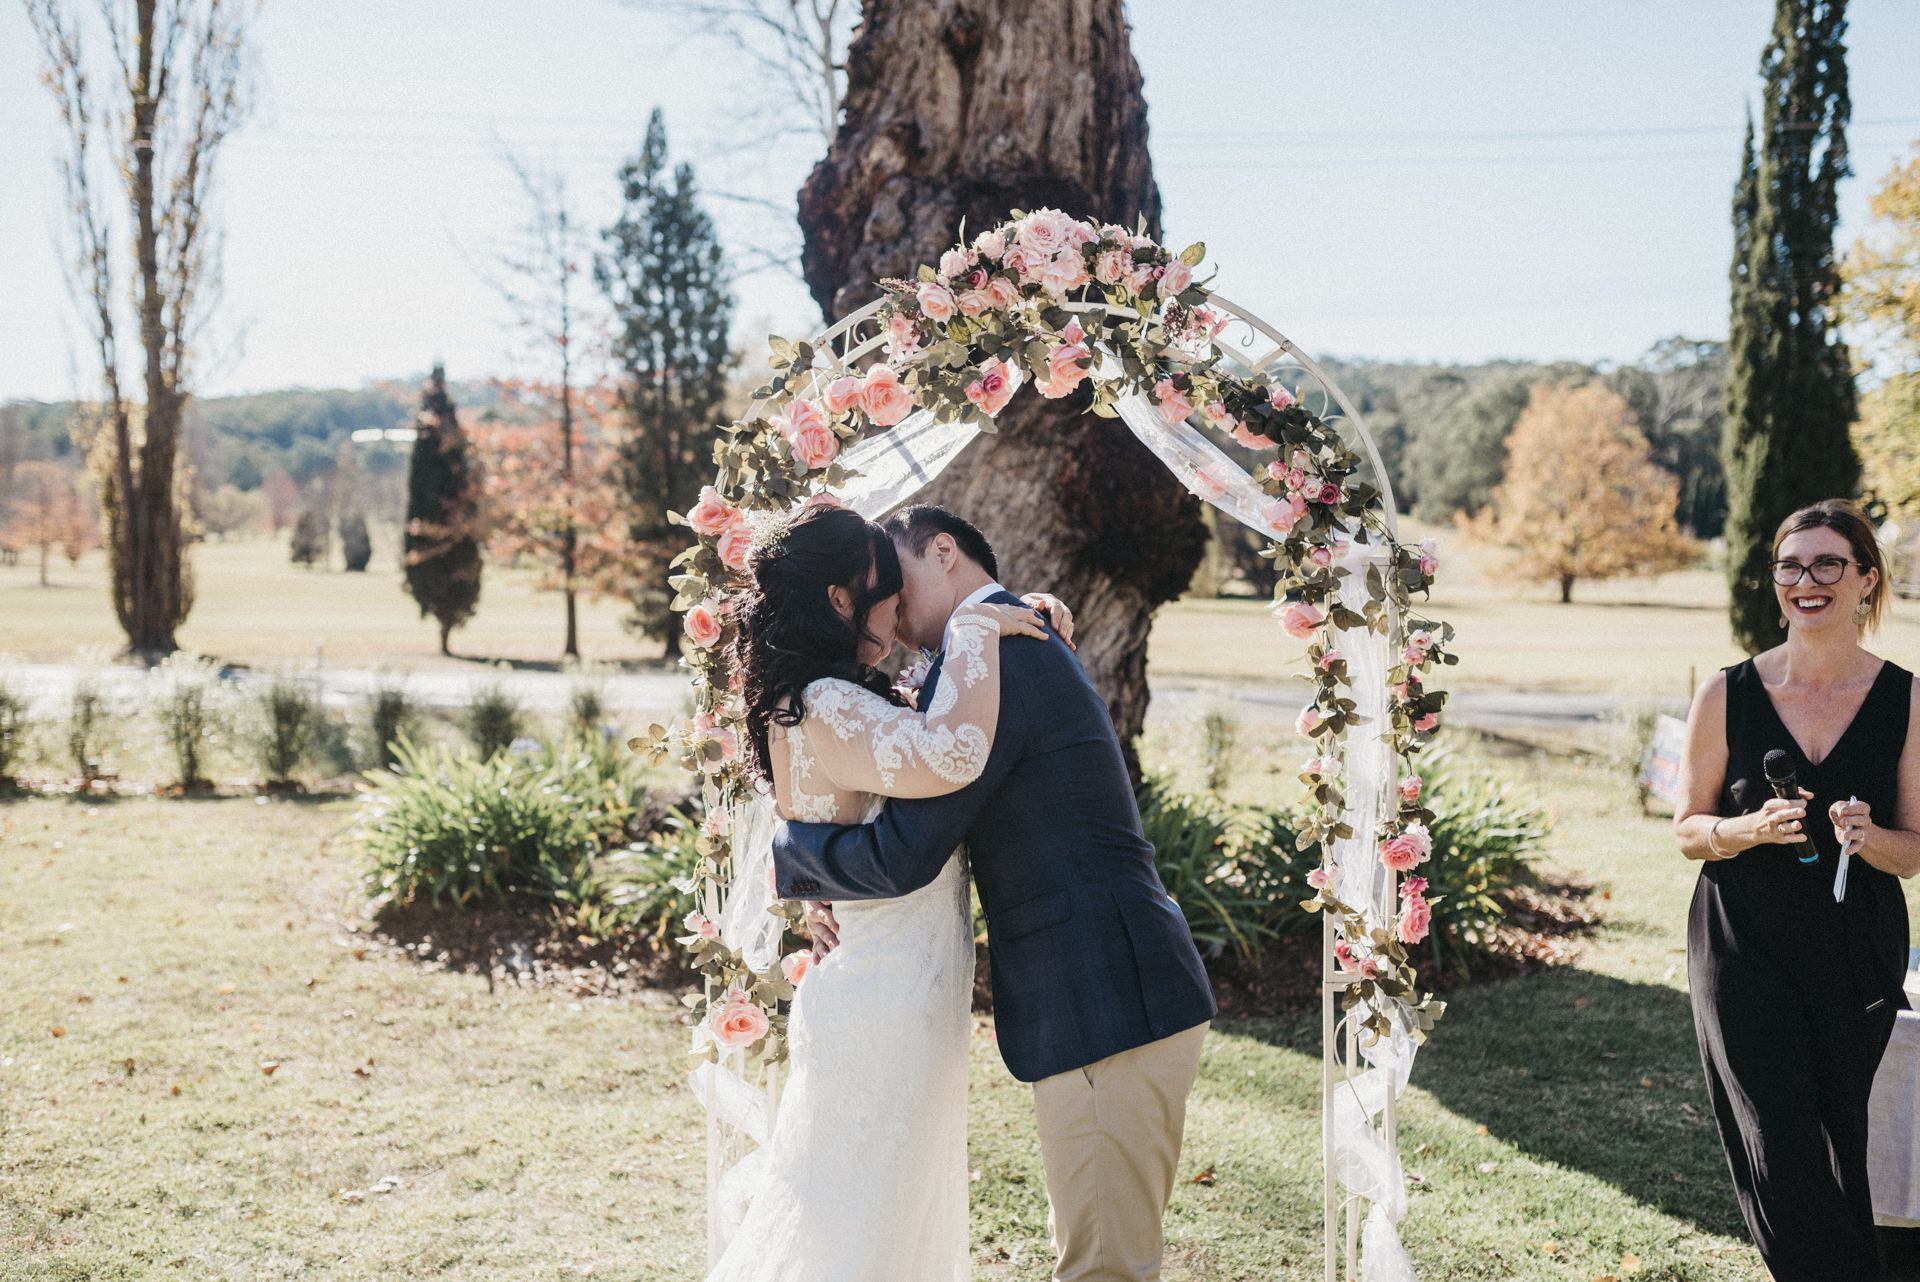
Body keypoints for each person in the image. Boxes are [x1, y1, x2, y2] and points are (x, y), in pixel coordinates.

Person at [774, 504, 1217, 1282]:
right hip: (1101, 995)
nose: (890, 611)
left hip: (1108, 996)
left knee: (1104, 1267)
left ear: (944, 551)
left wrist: (790, 857)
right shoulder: (991, 651)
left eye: (896, 582)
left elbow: (906, 852)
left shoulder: (1000, 659)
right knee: (1097, 1252)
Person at [707, 502, 1069, 1282]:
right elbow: (953, 749)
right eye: (887, 593)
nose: (902, 613)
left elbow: (914, 712)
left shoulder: (820, 694)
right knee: (858, 1227)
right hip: (884, 1001)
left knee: (876, 1216)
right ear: (842, 600)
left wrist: (1015, 616)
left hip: (887, 988)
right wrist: (976, 626)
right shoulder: (830, 701)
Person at [1675, 498, 1920, 1281]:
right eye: (1790, 565)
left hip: (1856, 953)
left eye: (1826, 564)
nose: (1805, 581)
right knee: (1778, 1141)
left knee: (1840, 1134)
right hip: (1743, 944)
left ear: (1866, 580)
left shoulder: (1909, 700)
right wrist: (1748, 830)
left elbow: (1913, 852)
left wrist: (1868, 837)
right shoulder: (1726, 693)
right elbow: (1688, 829)